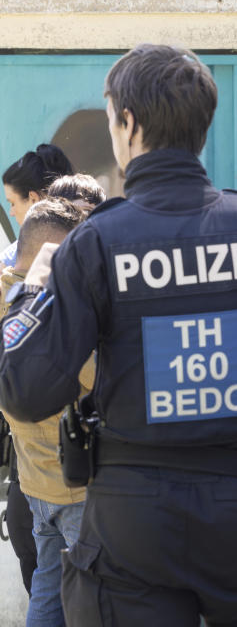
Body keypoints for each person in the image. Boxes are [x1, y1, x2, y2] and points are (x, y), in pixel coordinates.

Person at [0, 43, 237, 626]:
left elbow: (24, 391)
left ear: (127, 124)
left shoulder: (95, 245)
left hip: (131, 531)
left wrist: (30, 294)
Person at [1, 200, 88, 627]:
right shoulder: (46, 303)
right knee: (98, 599)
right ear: (50, 252)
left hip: (33, 481)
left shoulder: (5, 294)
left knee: (48, 591)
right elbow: (94, 372)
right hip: (76, 485)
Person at [0, 143, 74, 597]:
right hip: (35, 460)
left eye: (12, 203)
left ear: (35, 203)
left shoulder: (33, 271)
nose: (11, 214)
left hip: (59, 464)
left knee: (46, 564)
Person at [2, 144, 75, 266]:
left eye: (13, 203)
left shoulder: (11, 261)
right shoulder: (89, 238)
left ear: (33, 199)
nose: (11, 212)